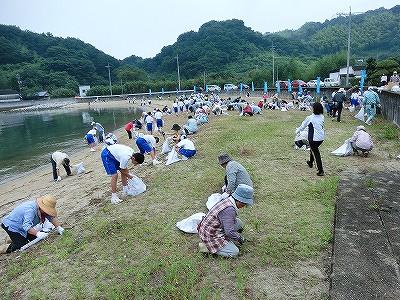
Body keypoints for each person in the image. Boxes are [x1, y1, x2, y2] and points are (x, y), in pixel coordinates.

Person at [198, 184, 253, 257]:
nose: (244, 206)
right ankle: (205, 247)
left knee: (238, 223)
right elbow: (229, 231)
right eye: (244, 204)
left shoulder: (228, 200)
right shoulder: (229, 210)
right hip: (210, 235)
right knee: (234, 252)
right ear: (239, 201)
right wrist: (240, 238)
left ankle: (225, 240)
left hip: (211, 228)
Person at [296, 102, 325, 176]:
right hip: (321, 138)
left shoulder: (310, 118)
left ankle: (320, 170)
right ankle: (310, 162)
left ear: (314, 109)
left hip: (314, 139)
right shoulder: (322, 116)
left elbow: (302, 126)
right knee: (313, 149)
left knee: (316, 153)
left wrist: (297, 131)